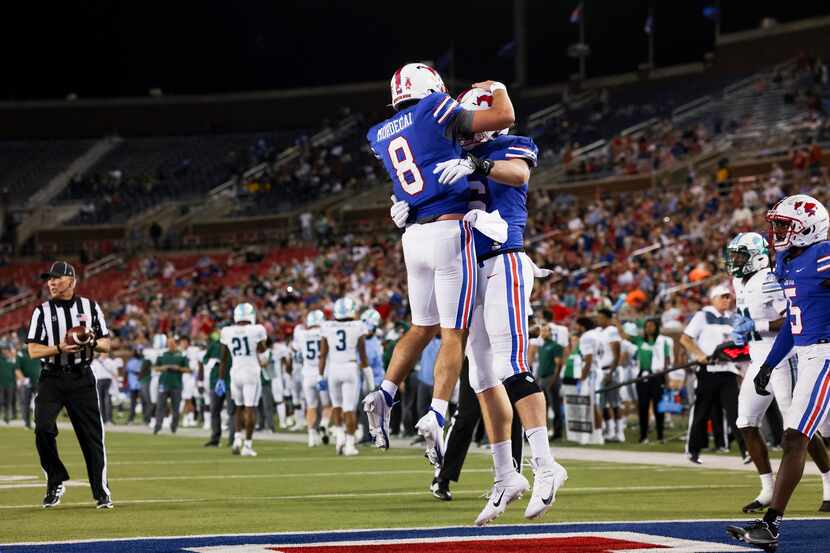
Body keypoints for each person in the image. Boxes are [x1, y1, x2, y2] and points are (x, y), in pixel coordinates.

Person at [422, 87, 565, 525]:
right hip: (471, 268)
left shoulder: (506, 146)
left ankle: (546, 464)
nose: (465, 130)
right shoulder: (459, 155)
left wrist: (476, 163)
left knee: (509, 362)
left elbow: (518, 175)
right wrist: (410, 211)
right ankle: (506, 474)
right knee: (483, 376)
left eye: (471, 120)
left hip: (504, 258)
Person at [363, 64, 515, 465]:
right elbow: (503, 118)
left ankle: (385, 392)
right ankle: (437, 413)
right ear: (432, 87)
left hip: (412, 235)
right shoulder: (434, 107)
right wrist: (497, 87)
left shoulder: (378, 133)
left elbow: (417, 162)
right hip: (449, 231)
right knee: (453, 334)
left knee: (420, 326)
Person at [728, 195, 830, 547]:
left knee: (795, 436)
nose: (778, 231)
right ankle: (770, 526)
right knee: (794, 437)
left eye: (785, 225)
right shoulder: (787, 260)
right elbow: (791, 325)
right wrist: (769, 364)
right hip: (804, 355)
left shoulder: (824, 254)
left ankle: (771, 525)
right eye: (777, 224)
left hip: (826, 354)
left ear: (808, 227)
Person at [26, 260, 113, 508]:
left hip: (81, 377)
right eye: (49, 279)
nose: (51, 283)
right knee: (43, 428)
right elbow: (33, 350)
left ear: (72, 281)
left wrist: (90, 341)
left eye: (57, 278)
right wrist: (59, 348)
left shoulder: (90, 307)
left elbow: (106, 345)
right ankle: (55, 480)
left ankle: (101, 491)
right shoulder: (41, 311)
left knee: (92, 436)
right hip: (51, 377)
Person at [681, 284, 747, 464]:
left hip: (727, 370)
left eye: (728, 297)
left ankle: (746, 451)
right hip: (708, 371)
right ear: (714, 298)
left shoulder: (733, 318)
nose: (727, 300)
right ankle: (693, 450)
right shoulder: (703, 315)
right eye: (723, 297)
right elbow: (685, 339)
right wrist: (700, 355)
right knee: (701, 412)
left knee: (736, 412)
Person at [319, 298, 370, 456]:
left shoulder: (327, 326)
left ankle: (339, 439)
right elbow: (363, 355)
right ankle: (349, 444)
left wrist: (319, 375)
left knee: (336, 405)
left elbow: (322, 355)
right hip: (350, 367)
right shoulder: (358, 326)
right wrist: (369, 378)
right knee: (349, 409)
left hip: (333, 368)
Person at [220, 303, 268, 457]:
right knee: (250, 408)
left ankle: (236, 439)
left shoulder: (227, 331)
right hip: (251, 372)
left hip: (235, 372)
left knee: (238, 408)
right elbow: (262, 352)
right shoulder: (257, 330)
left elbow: (223, 358)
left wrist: (221, 378)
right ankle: (247, 445)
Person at [624, 318, 673, 443]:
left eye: (651, 326)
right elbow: (624, 337)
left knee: (658, 407)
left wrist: (667, 379)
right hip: (643, 376)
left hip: (657, 376)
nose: (649, 328)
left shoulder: (663, 341)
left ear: (656, 327)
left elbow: (666, 361)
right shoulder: (639, 341)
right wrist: (617, 322)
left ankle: (660, 435)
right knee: (643, 406)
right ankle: (643, 435)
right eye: (647, 326)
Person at [294, 310, 331, 447]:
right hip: (322, 372)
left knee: (311, 406)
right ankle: (324, 424)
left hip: (307, 374)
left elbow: (297, 355)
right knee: (327, 405)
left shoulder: (301, 334)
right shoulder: (325, 333)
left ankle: (311, 437)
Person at [595, 309, 624, 442]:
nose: (598, 320)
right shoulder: (599, 332)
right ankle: (610, 431)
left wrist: (611, 372)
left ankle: (620, 432)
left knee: (615, 403)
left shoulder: (612, 331)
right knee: (604, 404)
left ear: (607, 318)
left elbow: (617, 354)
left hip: (610, 370)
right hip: (601, 370)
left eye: (601, 317)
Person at [153, 335, 190, 435]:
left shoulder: (181, 355)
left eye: (172, 343)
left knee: (176, 407)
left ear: (175, 344)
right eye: (169, 343)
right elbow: (155, 368)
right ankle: (157, 426)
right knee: (160, 406)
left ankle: (174, 426)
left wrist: (178, 368)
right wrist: (163, 368)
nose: (170, 345)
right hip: (164, 383)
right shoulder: (162, 354)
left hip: (176, 384)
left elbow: (188, 369)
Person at [203, 331, 233, 447]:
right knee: (215, 410)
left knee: (232, 411)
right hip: (216, 381)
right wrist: (213, 362)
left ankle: (233, 439)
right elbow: (205, 359)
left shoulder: (233, 343)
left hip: (230, 380)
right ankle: (215, 438)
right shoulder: (214, 345)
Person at [535, 323, 565, 440]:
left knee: (555, 405)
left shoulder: (555, 346)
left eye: (546, 331)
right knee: (543, 406)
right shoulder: (542, 347)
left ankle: (558, 432)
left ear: (551, 333)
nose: (543, 333)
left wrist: (554, 378)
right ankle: (545, 431)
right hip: (542, 378)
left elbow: (559, 363)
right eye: (542, 331)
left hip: (551, 378)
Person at [15, 345, 42, 429]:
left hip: (37, 382)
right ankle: (27, 423)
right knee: (25, 403)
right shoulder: (21, 354)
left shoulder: (37, 352)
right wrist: (23, 380)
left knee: (40, 403)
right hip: (26, 383)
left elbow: (42, 366)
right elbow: (17, 369)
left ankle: (40, 423)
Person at [0, 346, 15, 423]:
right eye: (4, 351)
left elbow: (14, 372)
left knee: (8, 402)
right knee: (1, 401)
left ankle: (7, 417)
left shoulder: (12, 361)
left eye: (6, 351)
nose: (5, 352)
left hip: (10, 384)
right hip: (1, 384)